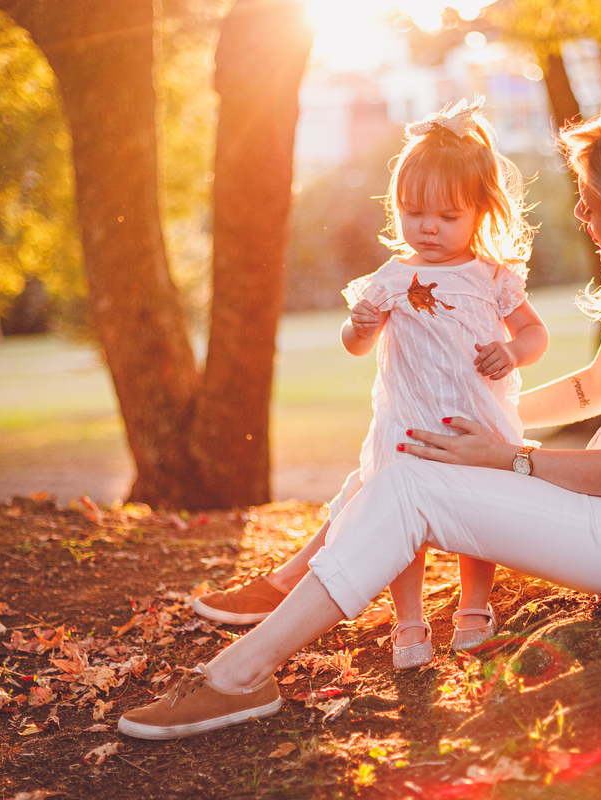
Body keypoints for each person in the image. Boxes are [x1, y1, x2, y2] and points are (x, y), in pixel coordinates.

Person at [118, 104, 601, 741]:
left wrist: (503, 454)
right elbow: (592, 389)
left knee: (412, 486)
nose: (581, 213)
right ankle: (270, 620)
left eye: (592, 199)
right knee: (411, 456)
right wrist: (470, 426)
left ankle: (240, 674)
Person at [191, 98, 549, 670]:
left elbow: (534, 333)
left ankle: (474, 606)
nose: (428, 227)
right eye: (413, 212)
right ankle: (410, 620)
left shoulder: (492, 278)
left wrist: (512, 351)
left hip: (474, 420)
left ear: (480, 211)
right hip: (406, 422)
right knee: (396, 521)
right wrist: (358, 326)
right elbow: (356, 345)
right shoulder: (391, 277)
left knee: (479, 514)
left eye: (448, 215)